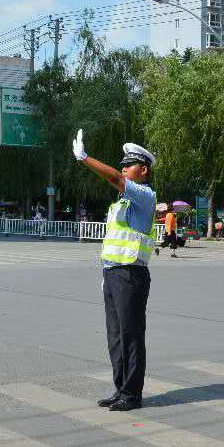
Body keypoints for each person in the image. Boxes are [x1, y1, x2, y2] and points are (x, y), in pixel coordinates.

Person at [73, 130, 156, 412]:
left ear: (142, 170)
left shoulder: (145, 195)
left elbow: (114, 179)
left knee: (131, 335)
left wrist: (85, 159)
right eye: (121, 165)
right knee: (116, 335)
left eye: (128, 165)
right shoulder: (120, 203)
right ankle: (121, 388)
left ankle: (132, 394)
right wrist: (106, 274)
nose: (122, 169)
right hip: (114, 274)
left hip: (131, 275)